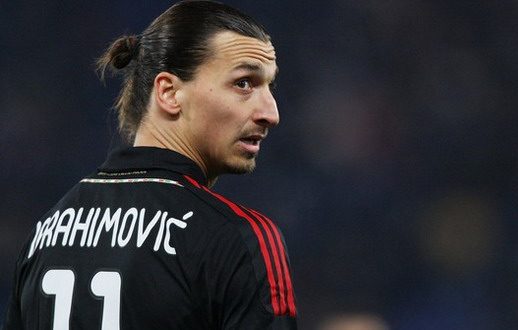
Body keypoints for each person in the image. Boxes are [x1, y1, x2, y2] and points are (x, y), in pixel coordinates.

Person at [2, 1, 297, 329]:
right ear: (169, 92)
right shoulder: (237, 237)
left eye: (269, 86)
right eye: (244, 83)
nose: (271, 113)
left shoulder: (46, 233)